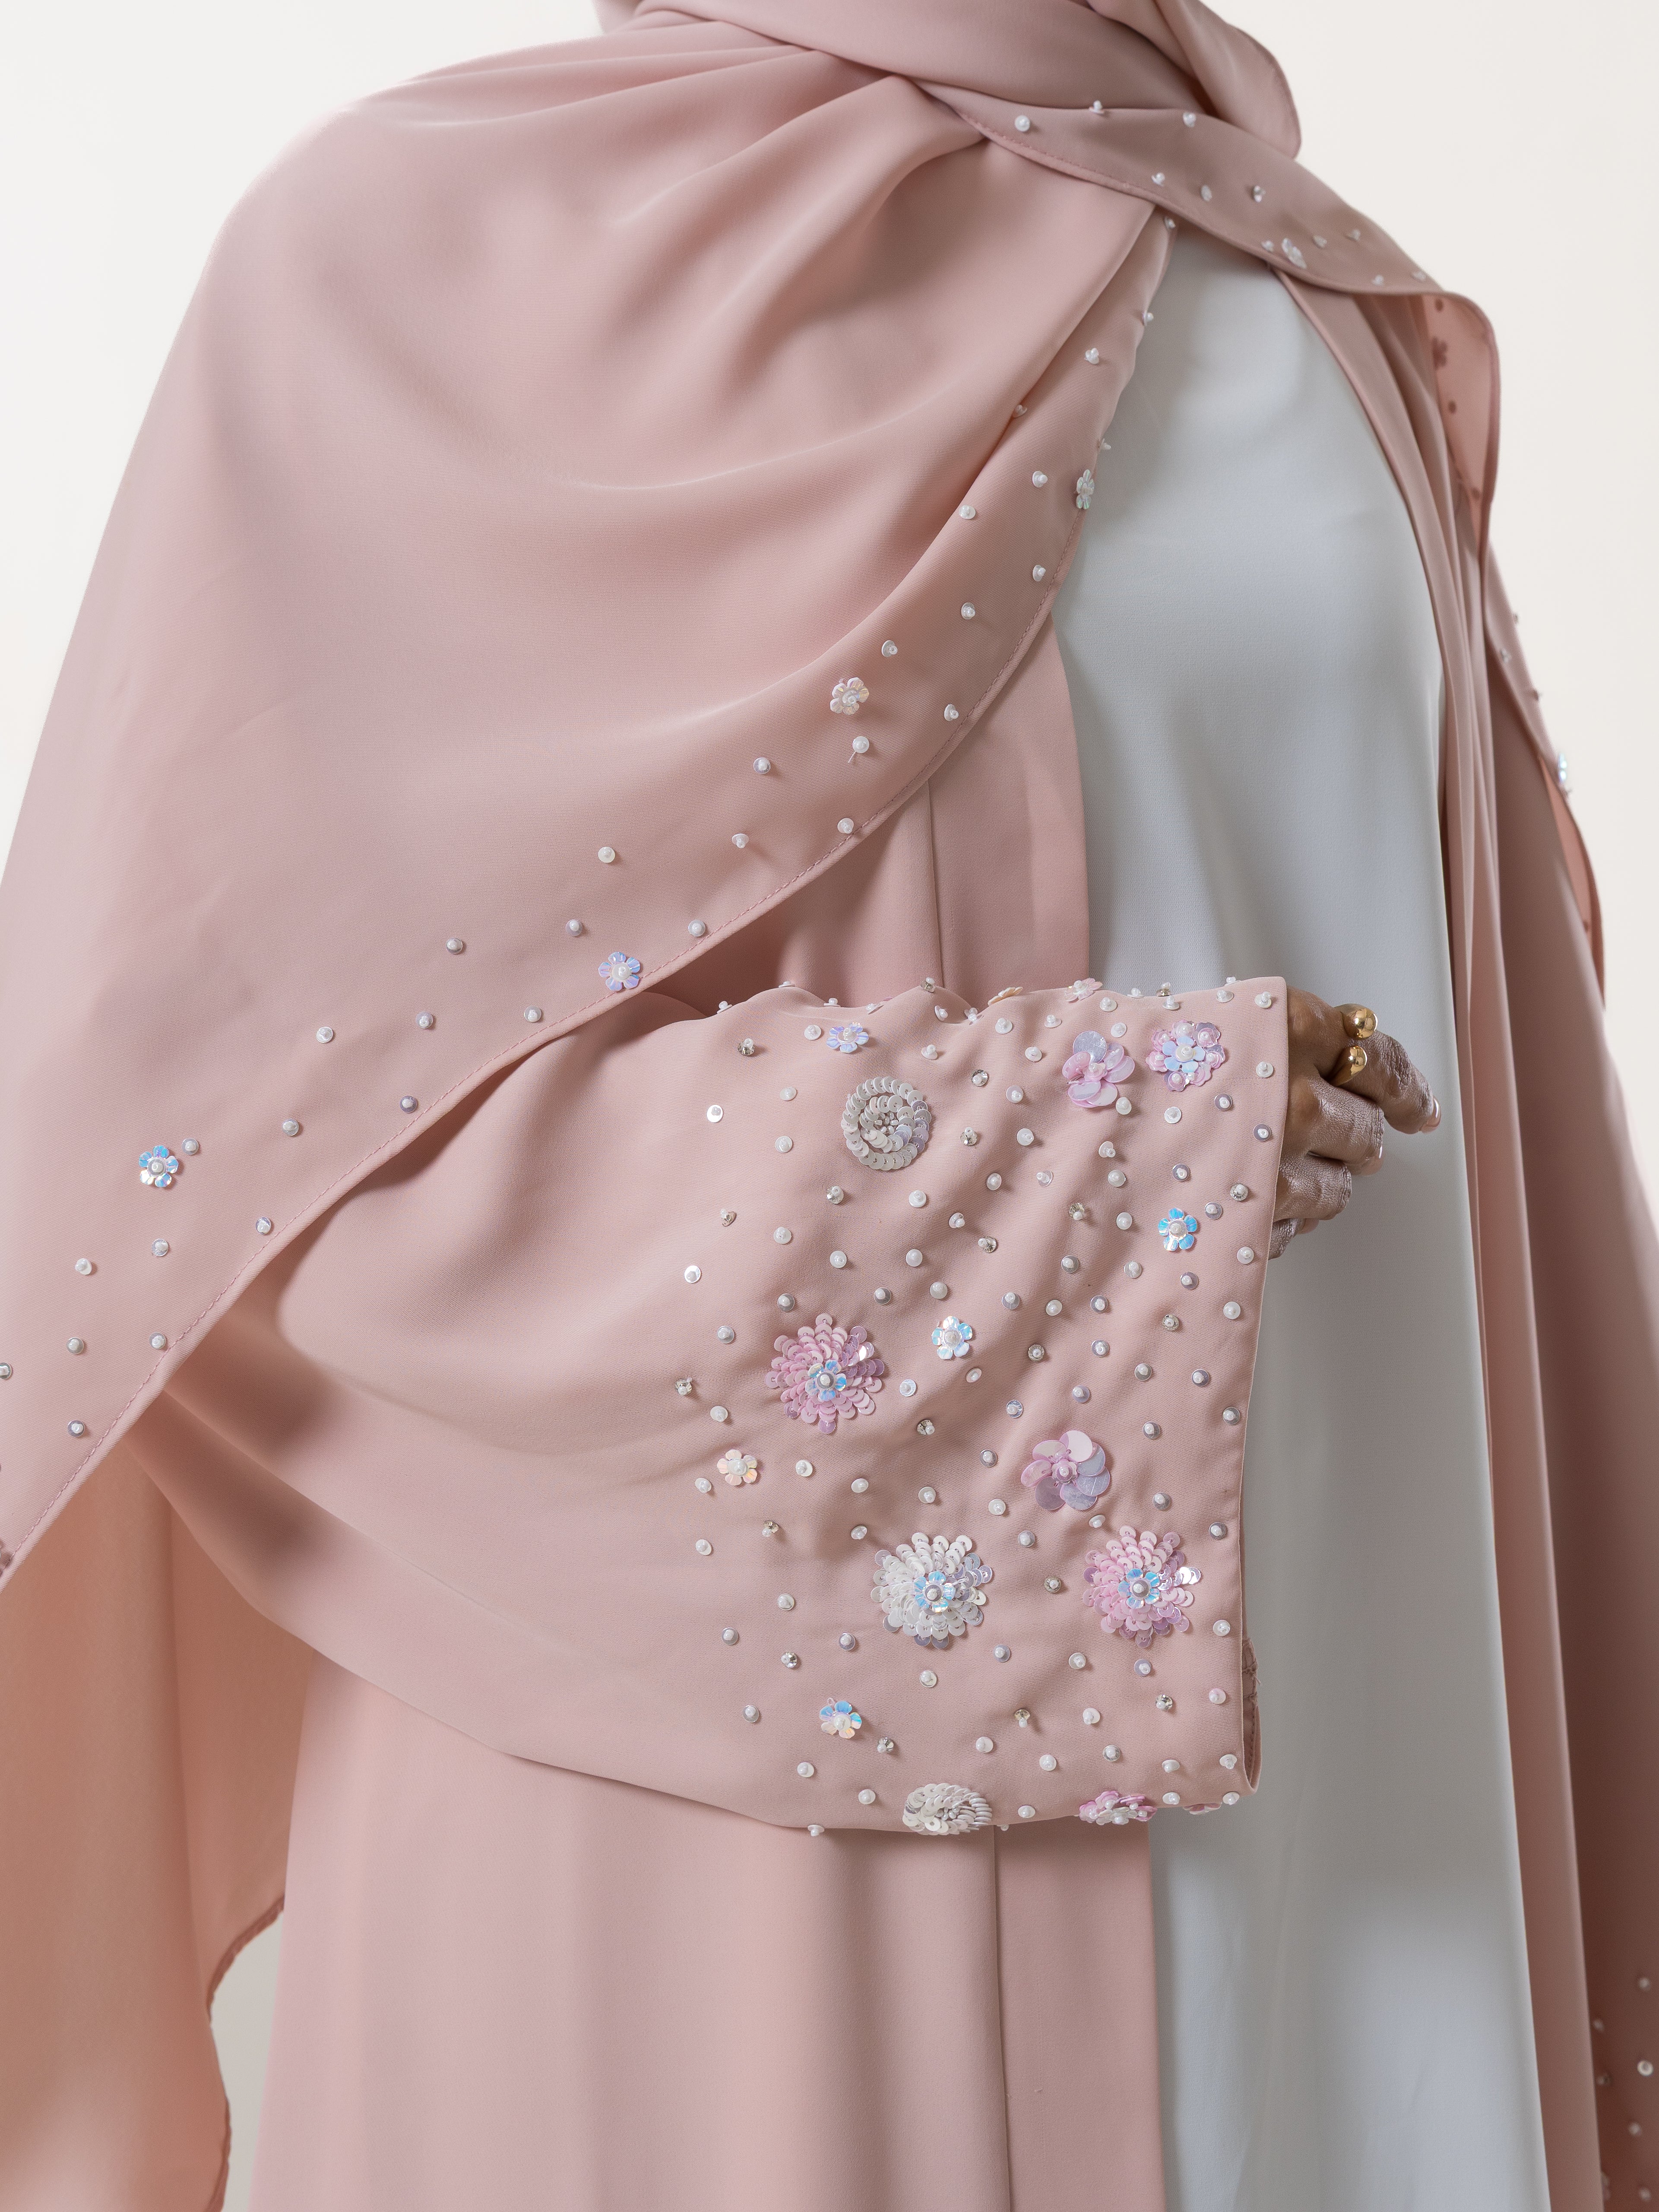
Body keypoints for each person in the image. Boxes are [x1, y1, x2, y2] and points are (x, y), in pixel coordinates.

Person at [0, 4, 1651, 2209]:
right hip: (723, 1823)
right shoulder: (421, 263)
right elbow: (221, 1190)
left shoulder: (1291, 282)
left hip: (1358, 1784)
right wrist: (1091, 1158)